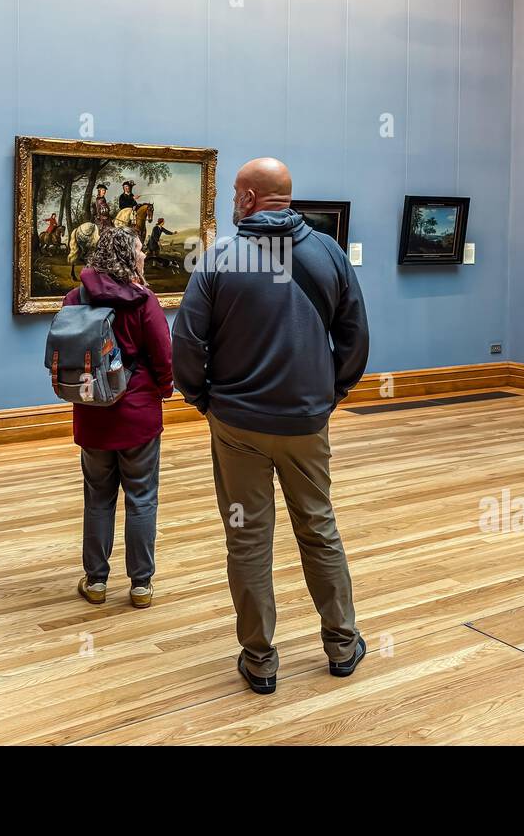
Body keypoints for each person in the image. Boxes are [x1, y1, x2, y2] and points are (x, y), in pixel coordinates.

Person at [172, 157, 369, 695]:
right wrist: (330, 396)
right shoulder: (328, 252)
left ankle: (260, 659)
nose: (231, 200)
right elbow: (355, 337)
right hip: (306, 423)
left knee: (247, 537)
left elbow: (186, 344)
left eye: (236, 192)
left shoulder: (219, 260)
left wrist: (202, 400)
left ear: (252, 199)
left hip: (236, 425)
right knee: (318, 528)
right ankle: (342, 644)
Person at [63, 226, 173, 609]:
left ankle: (96, 581)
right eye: (140, 249)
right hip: (138, 415)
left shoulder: (74, 298)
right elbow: (164, 357)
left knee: (97, 498)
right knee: (142, 498)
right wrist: (163, 390)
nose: (143, 255)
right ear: (129, 256)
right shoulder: (144, 301)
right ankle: (140, 585)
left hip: (92, 414)